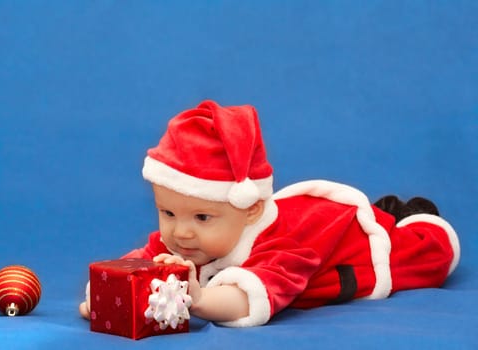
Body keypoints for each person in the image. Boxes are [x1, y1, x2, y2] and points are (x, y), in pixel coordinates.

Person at [79, 100, 460, 327]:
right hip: (304, 217)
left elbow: (249, 299)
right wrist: (106, 292)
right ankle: (389, 209)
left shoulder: (284, 248)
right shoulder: (183, 235)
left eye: (202, 218)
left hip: (348, 247)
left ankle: (413, 215)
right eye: (167, 212)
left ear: (251, 209)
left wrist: (198, 299)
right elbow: (139, 261)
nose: (181, 234)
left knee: (426, 253)